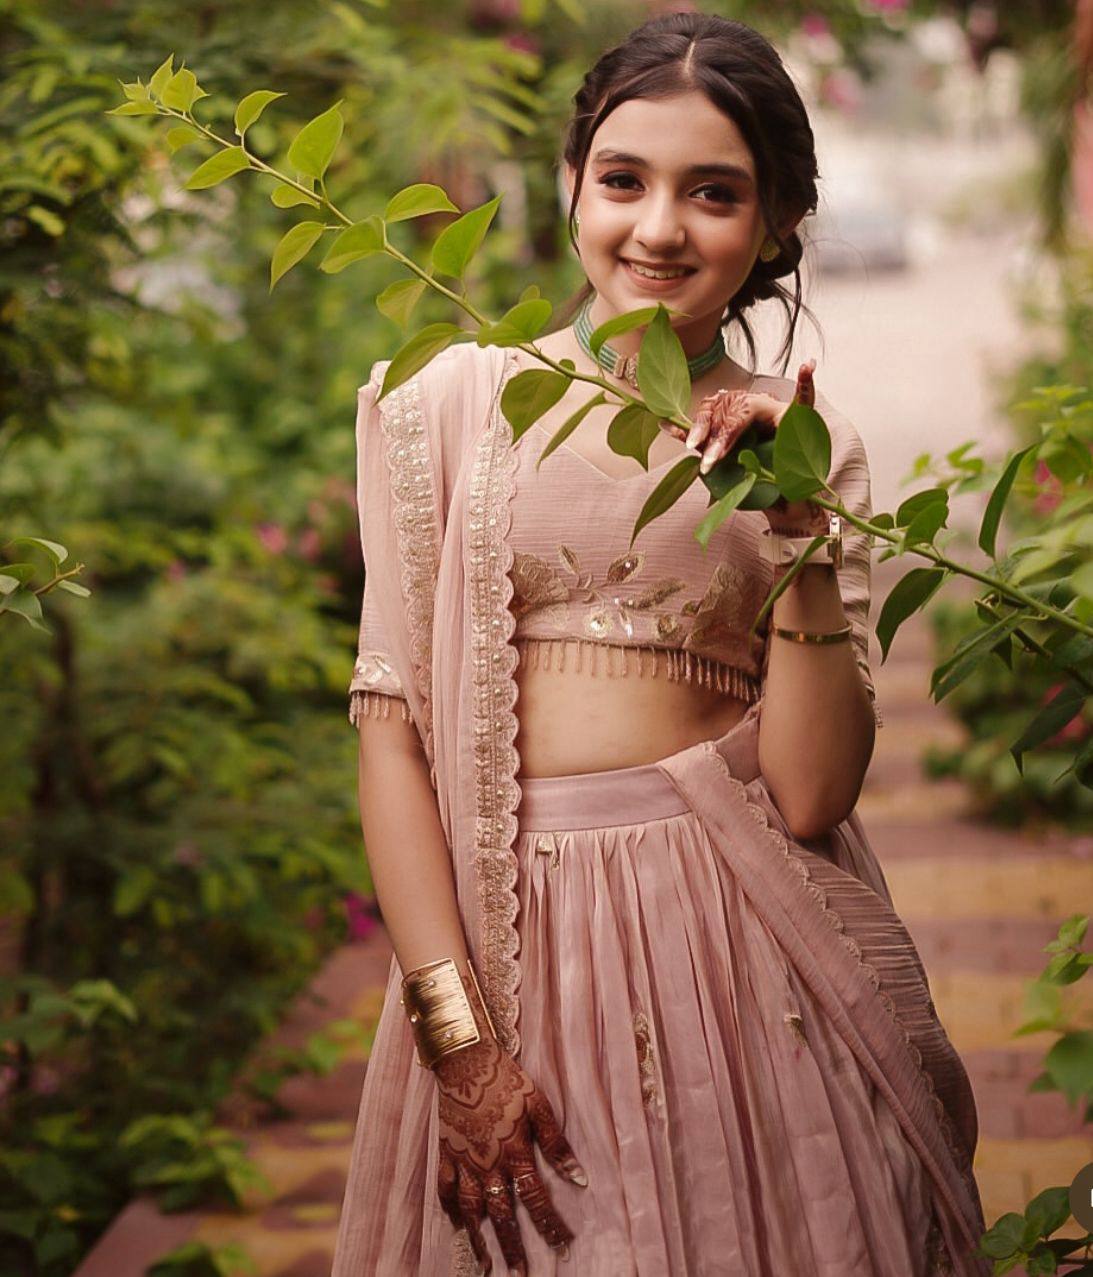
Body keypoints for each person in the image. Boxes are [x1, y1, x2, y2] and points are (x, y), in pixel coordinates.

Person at [331, 12, 989, 1276]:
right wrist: (457, 1036)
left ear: (779, 221)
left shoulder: (803, 444)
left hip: (742, 950)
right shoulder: (451, 405)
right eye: (623, 180)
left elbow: (810, 792)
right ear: (571, 183)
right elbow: (392, 733)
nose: (658, 228)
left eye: (714, 193)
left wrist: (794, 525)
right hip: (510, 948)